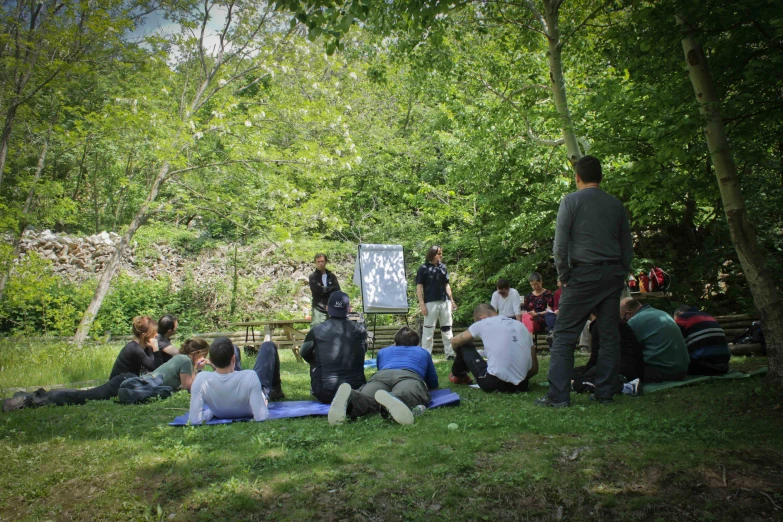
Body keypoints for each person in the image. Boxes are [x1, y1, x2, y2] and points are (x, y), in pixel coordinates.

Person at [536, 155, 633, 407]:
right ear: (601, 177)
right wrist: (620, 272)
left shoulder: (570, 201)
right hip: (611, 275)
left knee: (565, 335)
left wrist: (564, 275)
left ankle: (558, 396)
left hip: (582, 274)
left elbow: (560, 244)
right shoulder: (615, 204)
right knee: (610, 336)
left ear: (577, 177)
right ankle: (605, 393)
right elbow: (626, 245)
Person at [328, 326, 437, 425]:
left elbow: (381, 367)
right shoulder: (422, 352)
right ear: (416, 343)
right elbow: (433, 382)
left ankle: (351, 399)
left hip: (381, 376)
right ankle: (394, 400)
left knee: (367, 397)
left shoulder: (383, 351)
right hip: (408, 375)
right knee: (407, 394)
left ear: (395, 342)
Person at [448, 303, 538, 393]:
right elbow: (534, 369)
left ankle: (459, 376)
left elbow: (455, 341)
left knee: (463, 344)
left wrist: (461, 356)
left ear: (481, 318)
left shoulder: (482, 323)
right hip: (523, 385)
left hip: (494, 383)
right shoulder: (521, 326)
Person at [300, 291, 367, 404]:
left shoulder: (316, 331)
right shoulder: (360, 330)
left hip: (325, 392)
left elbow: (304, 353)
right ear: (349, 309)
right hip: (357, 389)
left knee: (317, 356)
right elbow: (364, 350)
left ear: (327, 308)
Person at [189, 337, 269, 424]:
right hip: (249, 388)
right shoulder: (250, 376)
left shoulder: (201, 379)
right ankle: (276, 390)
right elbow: (261, 416)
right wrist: (263, 406)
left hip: (222, 406)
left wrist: (213, 412)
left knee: (233, 348)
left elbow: (195, 420)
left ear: (211, 360)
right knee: (268, 346)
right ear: (233, 359)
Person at [571, 314, 645, 396]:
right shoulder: (610, 320)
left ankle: (625, 388)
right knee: (572, 373)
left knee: (580, 383)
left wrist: (583, 376)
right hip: (627, 365)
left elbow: (595, 359)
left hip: (622, 367)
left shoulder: (601, 324)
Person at [117, 338, 209, 404]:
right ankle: (133, 392)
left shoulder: (182, 358)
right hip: (153, 383)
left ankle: (132, 389)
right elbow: (188, 386)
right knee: (164, 392)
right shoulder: (186, 361)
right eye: (203, 355)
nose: (204, 358)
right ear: (197, 353)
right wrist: (198, 370)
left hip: (149, 380)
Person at [620, 298, 690, 382]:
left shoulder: (635, 321)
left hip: (664, 372)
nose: (625, 321)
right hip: (682, 370)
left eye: (623, 318)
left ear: (629, 313)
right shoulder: (662, 313)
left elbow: (622, 349)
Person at [415, 245, 457, 359]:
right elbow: (419, 288)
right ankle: (426, 356)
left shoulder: (443, 267)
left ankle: (450, 354)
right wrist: (422, 304)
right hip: (430, 303)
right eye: (439, 253)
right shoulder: (423, 268)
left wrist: (452, 301)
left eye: (441, 253)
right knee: (428, 330)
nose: (441, 255)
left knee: (447, 329)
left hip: (445, 302)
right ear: (432, 254)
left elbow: (446, 285)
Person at [673, 305, 731, 376]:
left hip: (703, 366)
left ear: (679, 313)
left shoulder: (683, 317)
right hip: (724, 367)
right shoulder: (708, 316)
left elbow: (673, 340)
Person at [309, 253, 340, 327]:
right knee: (317, 330)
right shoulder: (313, 277)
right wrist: (330, 288)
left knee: (332, 331)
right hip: (318, 308)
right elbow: (317, 290)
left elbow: (337, 290)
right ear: (315, 263)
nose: (320, 264)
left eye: (322, 261)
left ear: (326, 262)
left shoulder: (331, 276)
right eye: (318, 262)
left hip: (332, 308)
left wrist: (325, 289)